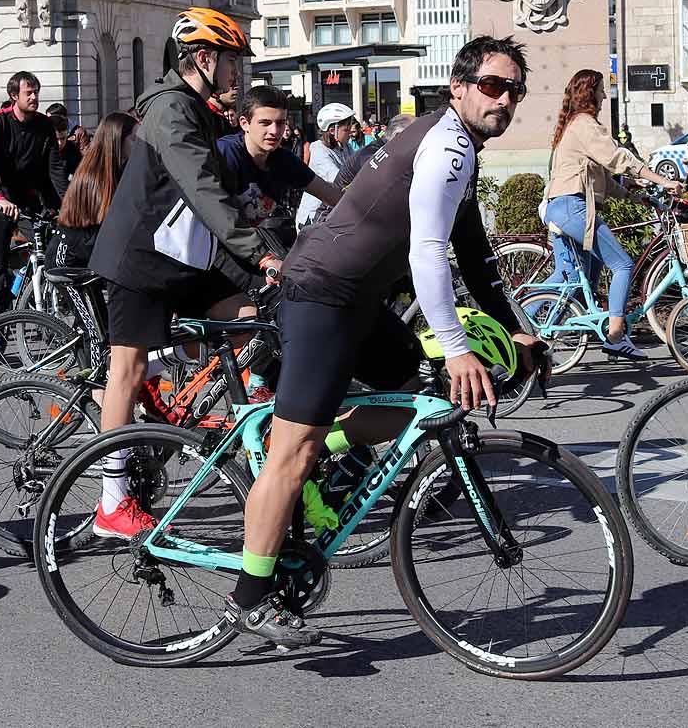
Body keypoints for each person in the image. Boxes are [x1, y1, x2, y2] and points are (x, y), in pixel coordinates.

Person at [223, 36, 545, 648]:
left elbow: (474, 255)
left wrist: (512, 326)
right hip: (320, 293)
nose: (504, 100)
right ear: (459, 86)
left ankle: (321, 456)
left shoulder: (451, 141)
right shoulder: (447, 147)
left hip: (357, 298)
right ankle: (250, 596)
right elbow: (427, 250)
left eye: (514, 91)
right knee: (295, 450)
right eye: (493, 86)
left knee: (411, 399)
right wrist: (455, 344)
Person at [89, 7, 280, 539]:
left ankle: (162, 363)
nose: (237, 73)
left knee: (253, 316)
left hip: (181, 258)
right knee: (123, 375)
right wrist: (259, 254)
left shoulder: (200, 110)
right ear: (203, 58)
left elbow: (227, 197)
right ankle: (112, 503)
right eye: (231, 62)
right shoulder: (172, 111)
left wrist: (266, 255)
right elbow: (203, 191)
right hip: (141, 261)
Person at [542, 69, 684, 357]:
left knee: (569, 278)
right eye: (601, 90)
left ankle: (518, 321)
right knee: (623, 265)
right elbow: (618, 158)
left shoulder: (575, 125)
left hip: (562, 207)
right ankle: (616, 334)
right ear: (589, 93)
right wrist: (662, 180)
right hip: (573, 207)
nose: (605, 96)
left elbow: (603, 180)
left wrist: (636, 196)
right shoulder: (584, 124)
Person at [0, 71, 68, 325]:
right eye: (29, 93)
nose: (35, 97)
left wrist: (68, 203)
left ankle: (47, 305)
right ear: (14, 96)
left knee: (53, 246)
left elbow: (55, 167)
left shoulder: (44, 124)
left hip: (27, 199)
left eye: (37, 91)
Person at [216, 84, 342, 253]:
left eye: (280, 123)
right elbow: (215, 216)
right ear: (245, 123)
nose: (274, 131)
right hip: (212, 250)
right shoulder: (227, 152)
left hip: (248, 246)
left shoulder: (283, 160)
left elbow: (333, 196)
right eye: (265, 123)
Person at [52, 111, 138, 269]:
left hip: (93, 254)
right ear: (118, 140)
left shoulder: (121, 169)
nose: (138, 144)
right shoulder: (94, 175)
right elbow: (110, 220)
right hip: (69, 257)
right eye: (134, 139)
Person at [294, 104, 355, 227]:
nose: (351, 133)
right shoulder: (318, 150)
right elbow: (338, 180)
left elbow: (358, 168)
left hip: (333, 214)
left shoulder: (346, 147)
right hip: (313, 218)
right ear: (333, 130)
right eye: (346, 130)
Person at [333, 111, 414, 189]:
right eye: (414, 137)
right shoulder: (374, 154)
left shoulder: (382, 148)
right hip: (339, 200)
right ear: (398, 136)